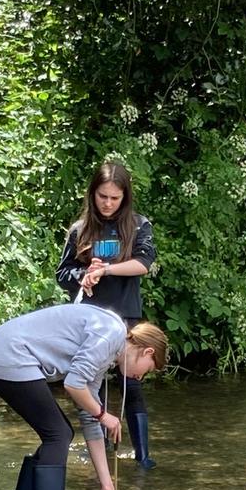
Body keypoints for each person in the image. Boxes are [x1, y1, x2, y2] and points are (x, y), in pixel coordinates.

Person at [0, 302, 168, 490]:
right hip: (8, 355)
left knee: (59, 432)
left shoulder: (106, 354)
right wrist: (104, 415)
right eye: (147, 370)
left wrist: (106, 483)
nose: (140, 377)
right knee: (58, 434)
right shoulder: (111, 334)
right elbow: (74, 384)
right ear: (147, 352)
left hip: (0, 354)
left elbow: (90, 418)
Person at [56, 161, 159, 467]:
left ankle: (143, 457)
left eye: (115, 198)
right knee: (92, 385)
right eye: (103, 196)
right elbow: (62, 274)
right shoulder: (80, 229)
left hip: (127, 316)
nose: (108, 203)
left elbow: (143, 263)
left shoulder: (139, 226)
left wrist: (107, 270)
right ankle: (98, 451)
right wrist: (84, 273)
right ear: (93, 194)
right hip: (89, 319)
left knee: (132, 385)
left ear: (125, 198)